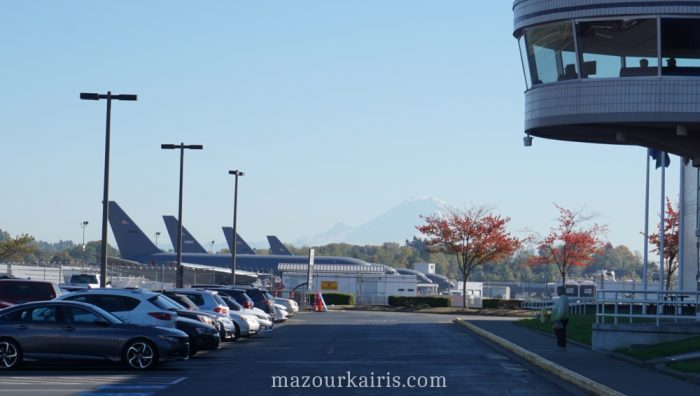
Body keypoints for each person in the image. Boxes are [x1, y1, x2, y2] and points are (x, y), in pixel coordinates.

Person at [551, 285, 570, 350]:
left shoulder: (562, 299)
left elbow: (561, 309)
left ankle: (561, 345)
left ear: (561, 291)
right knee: (562, 331)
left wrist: (557, 318)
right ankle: (562, 344)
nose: (557, 292)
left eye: (558, 290)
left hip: (561, 318)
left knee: (559, 331)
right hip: (565, 318)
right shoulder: (565, 298)